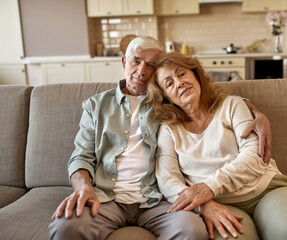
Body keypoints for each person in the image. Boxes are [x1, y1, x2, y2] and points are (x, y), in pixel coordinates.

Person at [48, 36, 273, 240]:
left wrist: (256, 112)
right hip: (106, 198)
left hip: (157, 200)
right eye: (136, 61)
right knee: (65, 227)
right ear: (124, 62)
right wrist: (83, 188)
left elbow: (210, 97)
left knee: (192, 231)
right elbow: (81, 156)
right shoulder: (95, 106)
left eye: (151, 65)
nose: (142, 70)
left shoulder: (168, 102)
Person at [147, 52, 287, 240]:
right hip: (218, 204)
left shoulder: (232, 105)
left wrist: (210, 186)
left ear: (195, 75)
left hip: (267, 191)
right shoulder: (168, 130)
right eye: (169, 83)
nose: (179, 82)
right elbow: (167, 179)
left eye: (181, 74)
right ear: (166, 97)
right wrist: (202, 205)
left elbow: (254, 156)